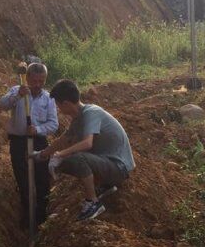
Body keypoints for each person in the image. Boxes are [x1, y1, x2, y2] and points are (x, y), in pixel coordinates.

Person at [39, 78, 135, 221]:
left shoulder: (91, 113)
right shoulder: (79, 118)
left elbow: (87, 143)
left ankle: (92, 203)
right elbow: (65, 139)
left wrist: (60, 155)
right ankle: (106, 185)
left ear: (65, 104)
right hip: (110, 164)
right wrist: (43, 154)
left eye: (58, 105)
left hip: (119, 168)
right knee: (71, 157)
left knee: (77, 159)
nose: (58, 109)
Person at [0, 62, 58, 227]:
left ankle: (41, 217)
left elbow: (53, 124)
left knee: (42, 179)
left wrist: (37, 129)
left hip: (39, 140)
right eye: (34, 81)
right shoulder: (17, 90)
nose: (37, 85)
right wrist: (18, 95)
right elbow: (2, 105)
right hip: (18, 141)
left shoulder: (48, 98)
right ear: (28, 78)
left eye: (41, 81)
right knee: (22, 178)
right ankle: (27, 215)